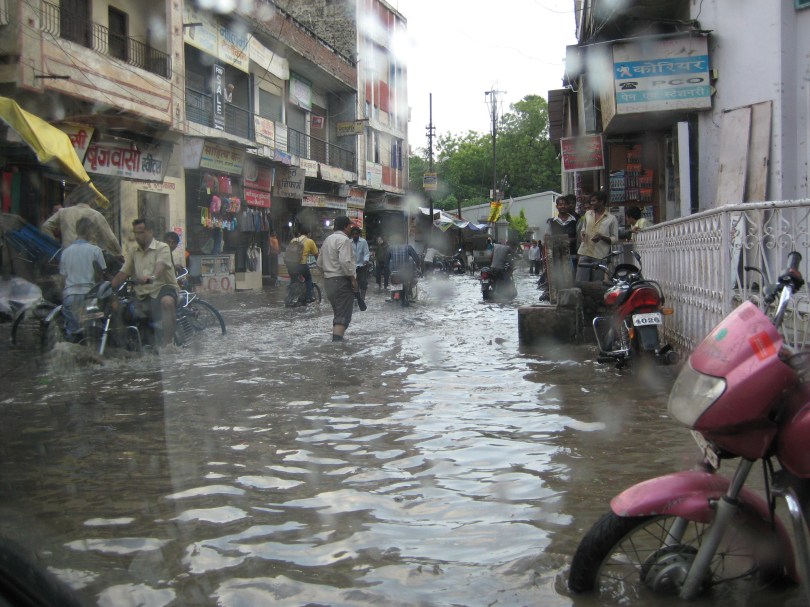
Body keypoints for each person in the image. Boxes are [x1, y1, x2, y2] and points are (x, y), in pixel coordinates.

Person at [111, 218, 179, 348]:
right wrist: (108, 288)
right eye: (135, 233)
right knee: (122, 311)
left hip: (163, 288)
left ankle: (168, 345)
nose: (137, 236)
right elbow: (123, 273)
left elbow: (161, 265)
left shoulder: (162, 247)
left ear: (150, 232)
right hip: (143, 295)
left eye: (141, 232)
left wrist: (152, 277)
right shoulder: (133, 251)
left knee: (167, 302)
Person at [41, 184, 123, 258]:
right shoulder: (96, 215)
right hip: (88, 258)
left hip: (67, 256)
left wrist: (55, 244)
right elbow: (111, 239)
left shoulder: (63, 212)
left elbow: (45, 226)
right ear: (91, 199)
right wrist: (119, 253)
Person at [59, 217, 107, 342]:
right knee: (91, 333)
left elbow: (63, 278)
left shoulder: (66, 252)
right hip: (89, 298)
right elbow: (101, 277)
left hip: (70, 297)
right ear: (89, 231)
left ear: (77, 230)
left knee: (73, 333)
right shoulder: (95, 250)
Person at [316, 216, 357, 342]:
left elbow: (319, 263)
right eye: (349, 226)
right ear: (345, 226)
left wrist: (326, 275)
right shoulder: (344, 240)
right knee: (343, 316)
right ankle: (337, 346)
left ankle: (337, 342)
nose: (351, 228)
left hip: (329, 282)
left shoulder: (327, 240)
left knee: (338, 313)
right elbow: (345, 262)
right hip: (341, 281)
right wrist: (352, 278)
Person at [576, 191, 619, 282]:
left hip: (599, 256)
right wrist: (582, 233)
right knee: (581, 282)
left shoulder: (611, 219)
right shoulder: (588, 214)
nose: (591, 203)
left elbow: (615, 239)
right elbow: (583, 228)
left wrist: (602, 237)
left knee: (597, 284)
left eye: (594, 201)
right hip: (584, 252)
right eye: (591, 201)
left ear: (601, 202)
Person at [546, 195, 579, 271]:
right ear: (557, 206)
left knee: (572, 276)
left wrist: (570, 240)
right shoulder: (551, 222)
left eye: (565, 204)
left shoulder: (576, 221)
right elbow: (547, 238)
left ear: (568, 206)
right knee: (558, 276)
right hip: (556, 256)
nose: (563, 206)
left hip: (572, 255)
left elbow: (580, 237)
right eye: (560, 204)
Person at [287, 226, 319, 303]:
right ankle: (309, 297)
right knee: (308, 279)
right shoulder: (310, 241)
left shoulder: (293, 240)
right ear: (309, 233)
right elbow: (316, 254)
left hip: (291, 265)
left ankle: (289, 298)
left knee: (293, 280)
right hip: (302, 264)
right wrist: (319, 265)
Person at [387, 239, 422, 307]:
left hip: (394, 273)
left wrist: (388, 271)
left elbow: (386, 261)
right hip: (404, 273)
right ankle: (405, 298)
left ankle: (396, 297)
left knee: (395, 286)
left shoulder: (391, 248)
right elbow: (416, 259)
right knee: (406, 284)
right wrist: (418, 265)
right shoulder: (408, 247)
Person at [350, 225, 370, 300]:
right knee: (354, 283)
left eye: (356, 234)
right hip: (352, 266)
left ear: (359, 234)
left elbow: (366, 253)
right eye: (353, 234)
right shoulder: (349, 242)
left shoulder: (363, 242)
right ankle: (356, 298)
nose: (355, 235)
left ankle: (362, 298)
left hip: (362, 265)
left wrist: (365, 260)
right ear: (351, 235)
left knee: (363, 282)